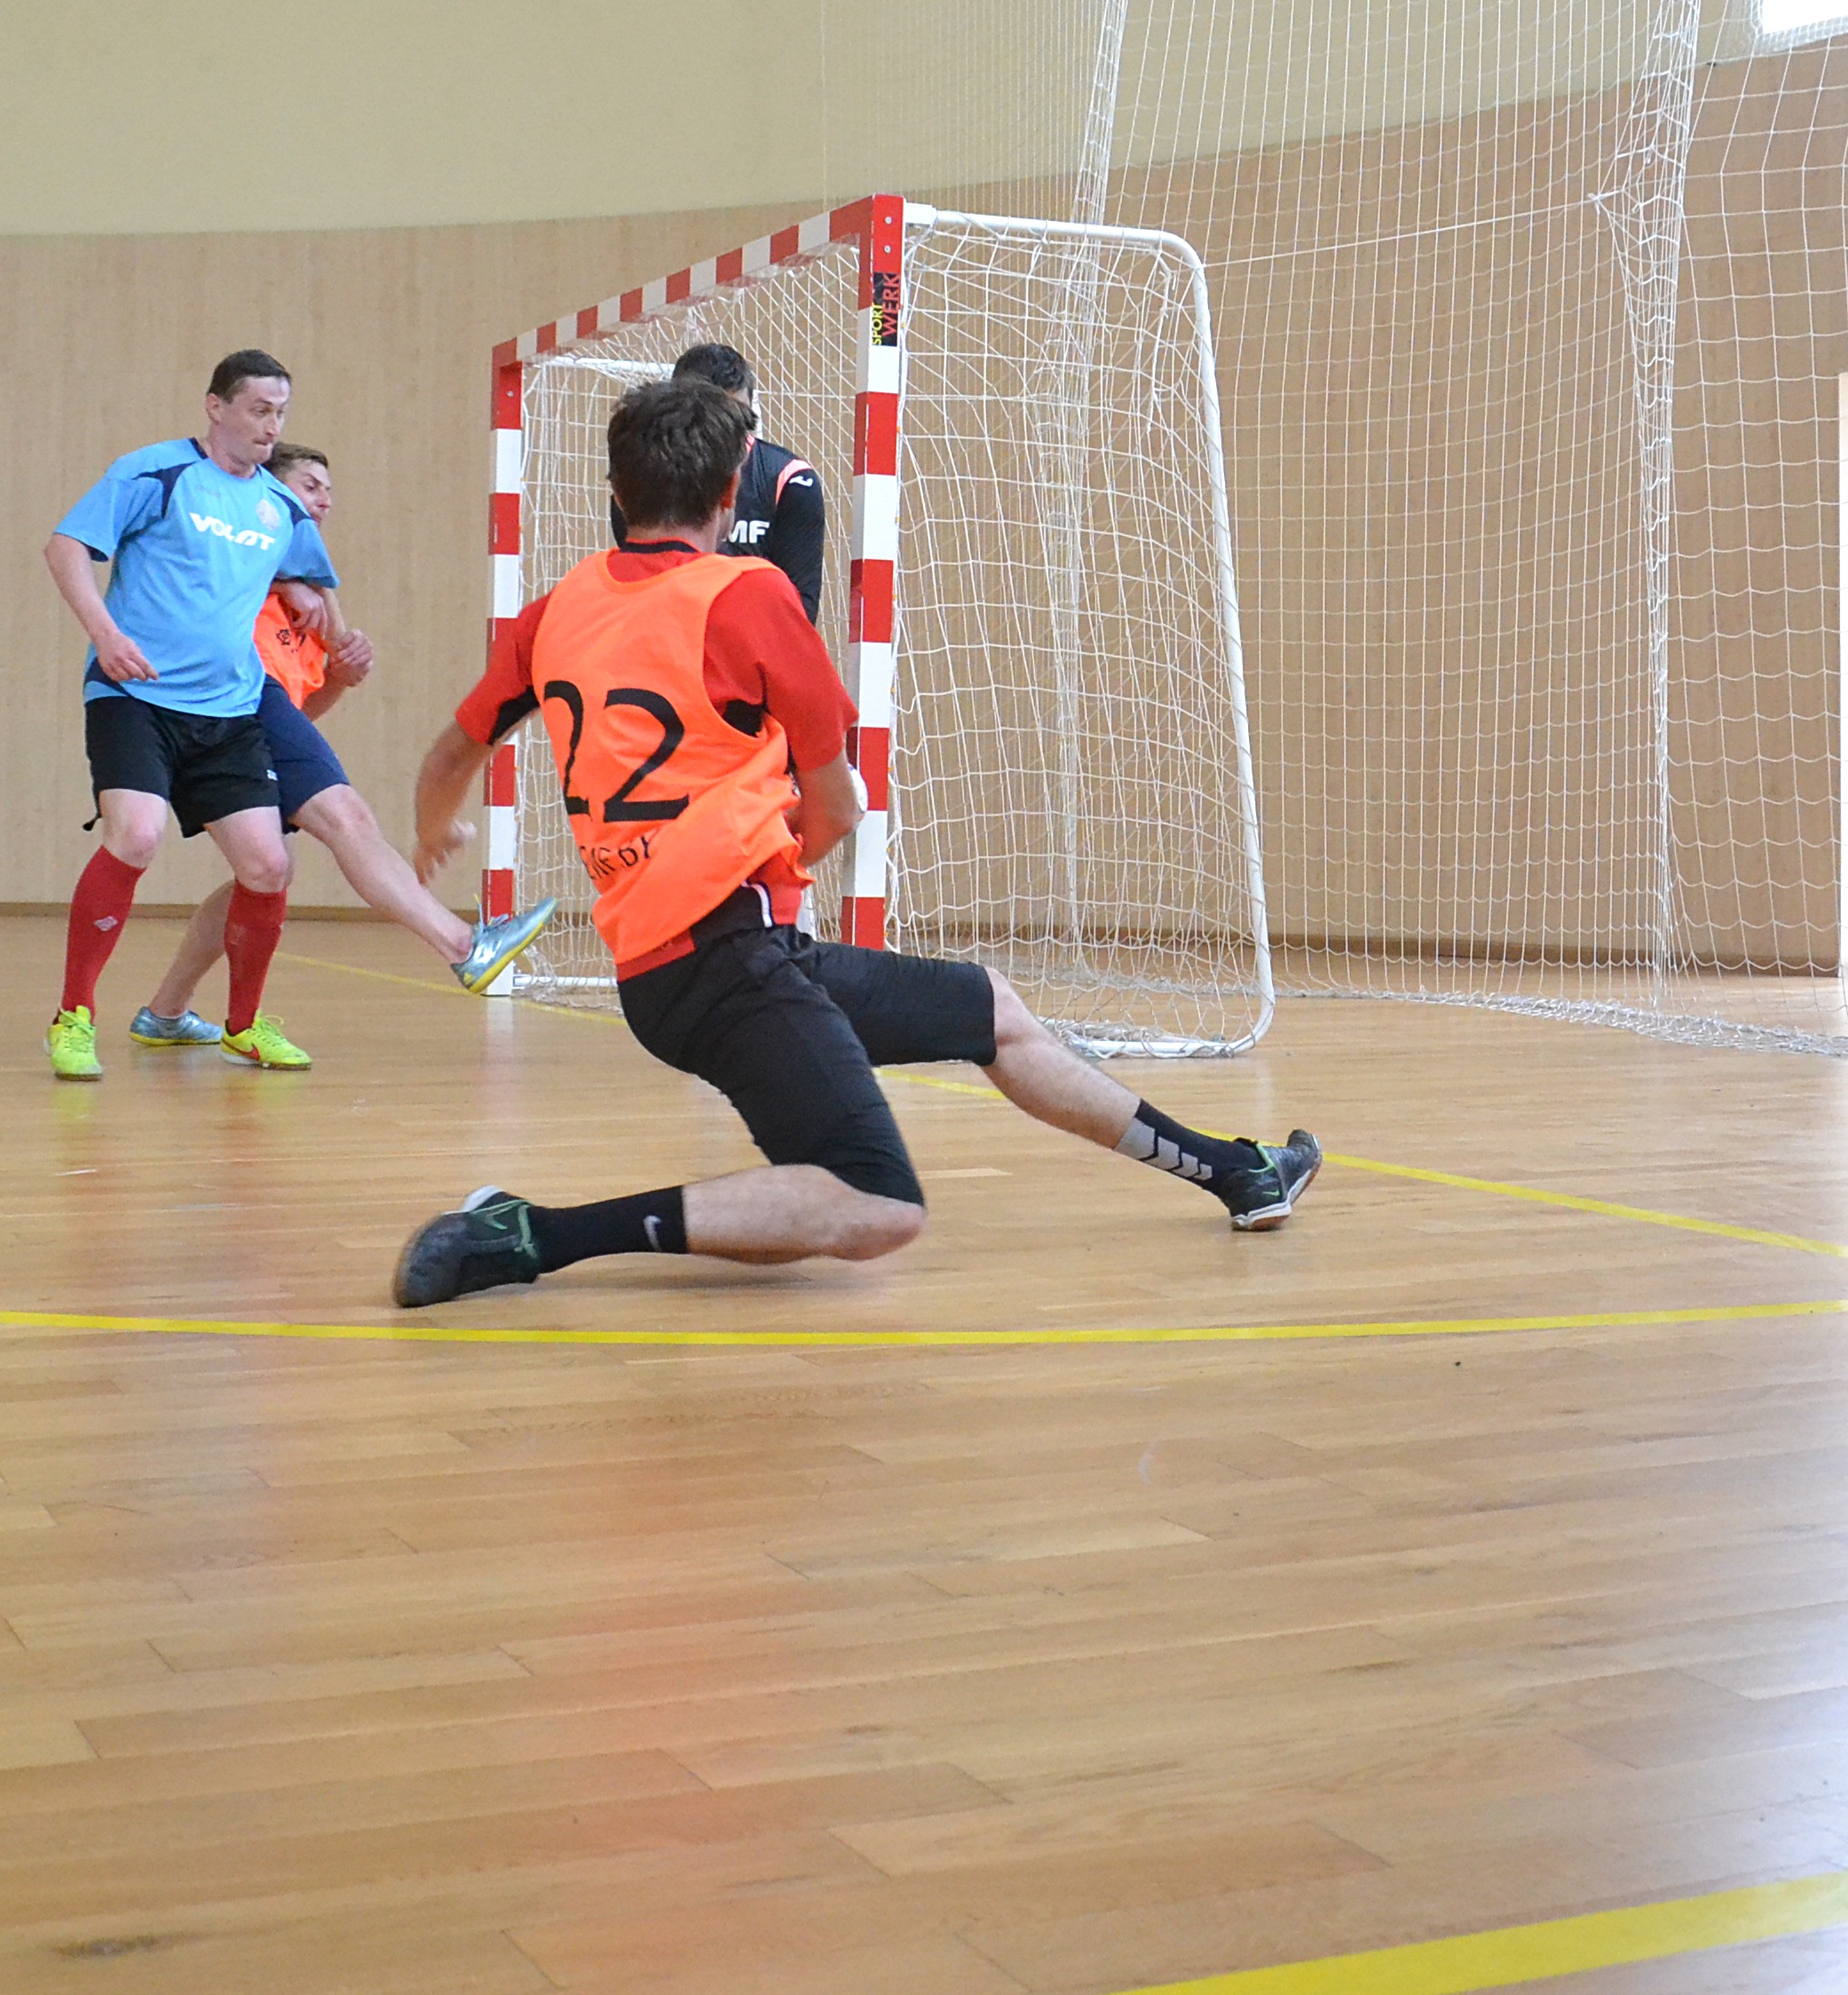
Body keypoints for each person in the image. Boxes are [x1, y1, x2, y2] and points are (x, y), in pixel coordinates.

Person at [388, 376, 1315, 1305]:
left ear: (616, 491)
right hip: (731, 961)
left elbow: (449, 757)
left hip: (681, 967)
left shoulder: (555, 610)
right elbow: (837, 806)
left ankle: (1235, 1171)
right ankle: (531, 1234)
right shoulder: (748, 595)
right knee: (879, 1206)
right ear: (731, 492)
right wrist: (772, 851)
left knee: (989, 1009)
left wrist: (435, 833)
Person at [42, 352, 539, 1083]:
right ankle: (73, 1015)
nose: (271, 426)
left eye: (280, 413)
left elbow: (315, 582)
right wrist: (105, 634)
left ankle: (241, 1026)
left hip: (230, 710)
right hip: (135, 696)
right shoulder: (158, 472)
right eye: (258, 410)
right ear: (216, 407)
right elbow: (65, 547)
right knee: (138, 834)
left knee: (269, 865)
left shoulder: (281, 509)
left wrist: (310, 595)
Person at [125, 443, 555, 1051]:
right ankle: (464, 945)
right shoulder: (242, 557)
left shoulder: (305, 602)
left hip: (250, 721)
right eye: (309, 485)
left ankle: (165, 1011)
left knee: (265, 874)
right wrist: (302, 586)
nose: (323, 499)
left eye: (328, 490)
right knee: (346, 818)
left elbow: (300, 714)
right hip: (221, 703)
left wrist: (339, 676)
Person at [612, 343, 824, 619]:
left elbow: (800, 614)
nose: (727, 434)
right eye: (714, 421)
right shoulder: (642, 475)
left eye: (738, 419)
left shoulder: (790, 480)